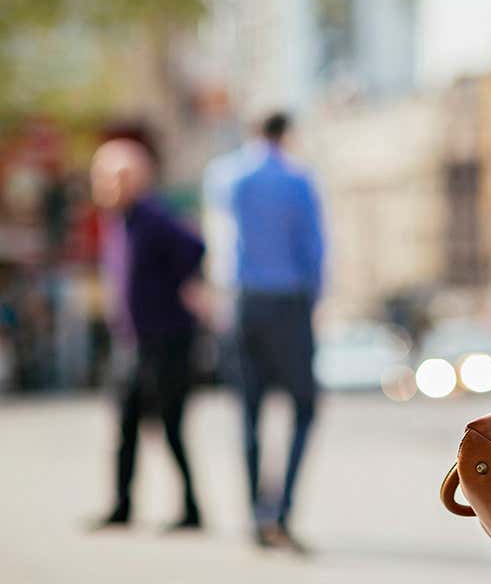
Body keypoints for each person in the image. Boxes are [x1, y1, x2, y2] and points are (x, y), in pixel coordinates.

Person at [90, 139, 205, 531]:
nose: (109, 185)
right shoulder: (118, 222)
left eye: (118, 177)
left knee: (170, 426)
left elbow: (195, 248)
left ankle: (191, 508)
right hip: (132, 339)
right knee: (125, 426)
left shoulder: (154, 217)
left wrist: (174, 289)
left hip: (166, 339)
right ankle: (122, 506)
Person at [227, 112, 324, 551]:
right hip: (288, 304)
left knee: (249, 412)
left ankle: (255, 513)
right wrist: (312, 302)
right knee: (304, 409)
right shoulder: (298, 180)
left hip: (245, 302)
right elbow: (313, 249)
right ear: (286, 134)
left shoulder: (229, 177)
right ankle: (281, 511)